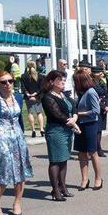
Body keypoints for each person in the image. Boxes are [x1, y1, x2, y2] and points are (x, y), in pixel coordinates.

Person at [0, 71, 33, 215]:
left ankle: (17, 202)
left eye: (10, 81)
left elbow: (20, 120)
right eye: (3, 82)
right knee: (2, 172)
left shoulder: (18, 97)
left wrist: (22, 136)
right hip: (1, 138)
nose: (7, 85)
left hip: (17, 138)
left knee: (20, 171)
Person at [41, 71, 80, 201]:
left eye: (64, 80)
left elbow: (73, 106)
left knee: (64, 159)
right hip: (56, 131)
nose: (63, 82)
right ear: (52, 82)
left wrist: (74, 117)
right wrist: (71, 122)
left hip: (67, 131)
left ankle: (63, 187)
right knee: (55, 161)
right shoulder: (48, 97)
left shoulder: (63, 95)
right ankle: (55, 190)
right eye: (60, 80)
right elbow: (56, 114)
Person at [73, 72, 103, 191]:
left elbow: (96, 111)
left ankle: (98, 178)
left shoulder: (91, 92)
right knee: (81, 152)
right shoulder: (80, 93)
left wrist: (79, 114)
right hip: (80, 124)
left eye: (76, 81)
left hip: (90, 124)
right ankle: (84, 179)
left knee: (92, 151)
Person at [21, 61, 45, 138]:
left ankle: (33, 130)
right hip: (37, 97)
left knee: (30, 113)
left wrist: (28, 94)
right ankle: (41, 130)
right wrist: (35, 94)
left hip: (28, 97)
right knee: (39, 113)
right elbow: (41, 87)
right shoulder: (40, 76)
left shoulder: (24, 76)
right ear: (35, 66)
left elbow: (23, 87)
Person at [91, 67, 108, 157]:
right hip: (96, 108)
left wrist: (107, 106)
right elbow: (94, 98)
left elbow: (106, 95)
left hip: (103, 108)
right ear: (94, 74)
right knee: (96, 129)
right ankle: (97, 148)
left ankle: (98, 147)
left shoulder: (102, 82)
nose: (102, 74)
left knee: (100, 130)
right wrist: (103, 106)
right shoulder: (91, 83)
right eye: (99, 72)